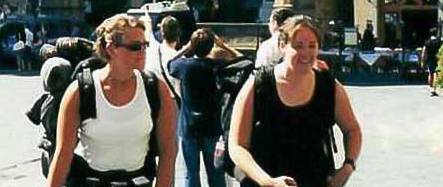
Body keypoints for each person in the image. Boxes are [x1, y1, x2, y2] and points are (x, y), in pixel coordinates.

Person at [228, 16, 362, 187]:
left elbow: (352, 129)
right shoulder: (258, 84)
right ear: (282, 46)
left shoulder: (329, 86)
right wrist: (268, 181)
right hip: (264, 182)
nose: (306, 53)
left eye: (312, 46)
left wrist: (348, 166)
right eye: (298, 46)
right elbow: (237, 146)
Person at [47, 12, 177, 187]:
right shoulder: (81, 91)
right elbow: (62, 154)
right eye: (135, 46)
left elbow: (168, 151)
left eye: (145, 45)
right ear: (111, 48)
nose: (143, 52)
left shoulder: (155, 89)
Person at [169, 29, 230, 187]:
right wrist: (225, 46)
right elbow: (244, 61)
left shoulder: (183, 66)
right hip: (212, 125)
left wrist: (187, 47)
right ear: (211, 47)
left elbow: (169, 63)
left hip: (189, 125)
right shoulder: (217, 67)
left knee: (191, 174)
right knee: (216, 173)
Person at [421, 28, 443, 97]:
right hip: (438, 58)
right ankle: (435, 88)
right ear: (436, 33)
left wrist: (423, 61)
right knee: (436, 73)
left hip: (430, 59)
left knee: (430, 73)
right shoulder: (439, 41)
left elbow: (424, 52)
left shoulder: (427, 42)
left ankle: (431, 88)